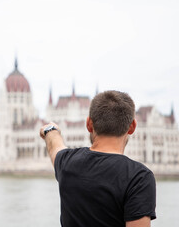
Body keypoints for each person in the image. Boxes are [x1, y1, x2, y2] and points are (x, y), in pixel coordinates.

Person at [39, 90, 156, 227]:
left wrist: (50, 129)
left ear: (89, 124)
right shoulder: (139, 177)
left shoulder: (67, 162)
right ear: (132, 127)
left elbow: (54, 145)